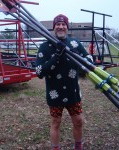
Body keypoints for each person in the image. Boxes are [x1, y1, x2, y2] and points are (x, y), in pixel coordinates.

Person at [35, 14, 93, 150]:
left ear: (67, 27)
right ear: (54, 27)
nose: (61, 27)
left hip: (73, 92)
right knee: (55, 122)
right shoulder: (44, 47)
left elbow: (88, 58)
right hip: (55, 93)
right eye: (58, 25)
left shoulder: (74, 43)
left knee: (78, 121)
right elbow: (39, 72)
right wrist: (56, 55)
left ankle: (78, 147)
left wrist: (84, 61)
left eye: (63, 25)